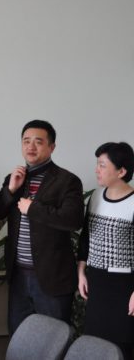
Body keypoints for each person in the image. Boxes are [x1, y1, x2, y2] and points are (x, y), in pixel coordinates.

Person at [0, 120, 84, 334]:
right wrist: (10, 190)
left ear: (52, 147)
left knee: (53, 339)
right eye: (26, 141)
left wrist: (33, 209)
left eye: (38, 142)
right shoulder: (15, 178)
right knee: (19, 337)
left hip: (52, 278)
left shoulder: (67, 180)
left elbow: (72, 220)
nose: (31, 147)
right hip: (19, 276)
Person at [78, 142, 134, 359]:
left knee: (122, 348)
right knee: (96, 345)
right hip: (97, 282)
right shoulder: (96, 197)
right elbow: (85, 237)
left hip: (124, 286)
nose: (96, 170)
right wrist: (81, 271)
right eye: (97, 164)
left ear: (121, 171)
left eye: (102, 165)